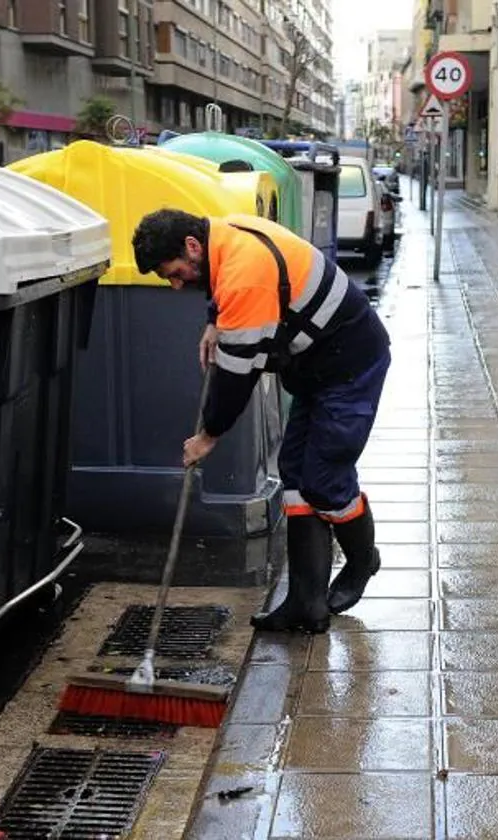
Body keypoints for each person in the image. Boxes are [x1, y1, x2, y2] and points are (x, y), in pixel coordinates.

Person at [132, 208, 391, 633]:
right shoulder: (224, 234)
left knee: (325, 481)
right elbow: (227, 290)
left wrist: (207, 435)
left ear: (192, 246)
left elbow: (237, 378)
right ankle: (306, 603)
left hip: (351, 368)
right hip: (318, 366)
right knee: (294, 474)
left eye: (174, 273)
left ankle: (363, 560)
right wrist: (216, 321)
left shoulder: (242, 274)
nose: (176, 284)